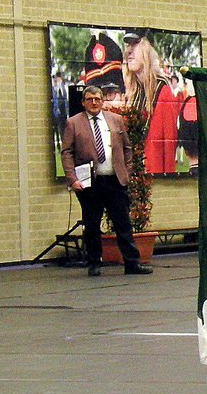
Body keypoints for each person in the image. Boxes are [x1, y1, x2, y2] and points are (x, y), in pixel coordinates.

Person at [60, 85, 153, 276]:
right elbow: (66, 152)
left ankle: (132, 263)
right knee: (92, 224)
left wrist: (126, 172)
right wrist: (73, 179)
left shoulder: (116, 120)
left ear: (102, 101)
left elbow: (127, 148)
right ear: (83, 102)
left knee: (123, 223)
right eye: (89, 99)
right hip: (90, 183)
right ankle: (94, 263)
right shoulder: (73, 123)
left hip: (115, 180)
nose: (94, 102)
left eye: (97, 99)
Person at [123, 32, 180, 175]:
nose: (129, 51)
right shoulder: (131, 92)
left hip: (155, 179)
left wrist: (168, 181)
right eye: (128, 45)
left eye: (135, 44)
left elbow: (169, 144)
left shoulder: (163, 90)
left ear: (147, 50)